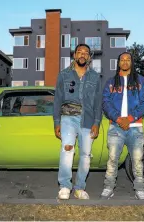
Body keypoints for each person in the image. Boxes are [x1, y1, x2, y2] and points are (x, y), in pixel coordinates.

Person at [100, 52, 144, 200]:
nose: (124, 62)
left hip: (135, 127)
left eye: (127, 59)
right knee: (112, 159)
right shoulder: (111, 83)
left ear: (131, 63)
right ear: (118, 63)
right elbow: (105, 102)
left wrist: (130, 118)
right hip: (116, 127)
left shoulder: (141, 81)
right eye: (122, 59)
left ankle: (139, 189)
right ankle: (108, 187)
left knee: (137, 160)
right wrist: (117, 118)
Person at [53, 43, 103, 200]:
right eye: (79, 52)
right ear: (74, 55)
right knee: (67, 151)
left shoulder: (95, 77)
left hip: (88, 120)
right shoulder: (63, 75)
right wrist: (56, 122)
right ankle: (65, 186)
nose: (82, 54)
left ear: (89, 57)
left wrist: (97, 122)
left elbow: (98, 102)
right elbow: (57, 99)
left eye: (85, 53)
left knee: (86, 155)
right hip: (68, 118)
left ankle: (80, 188)